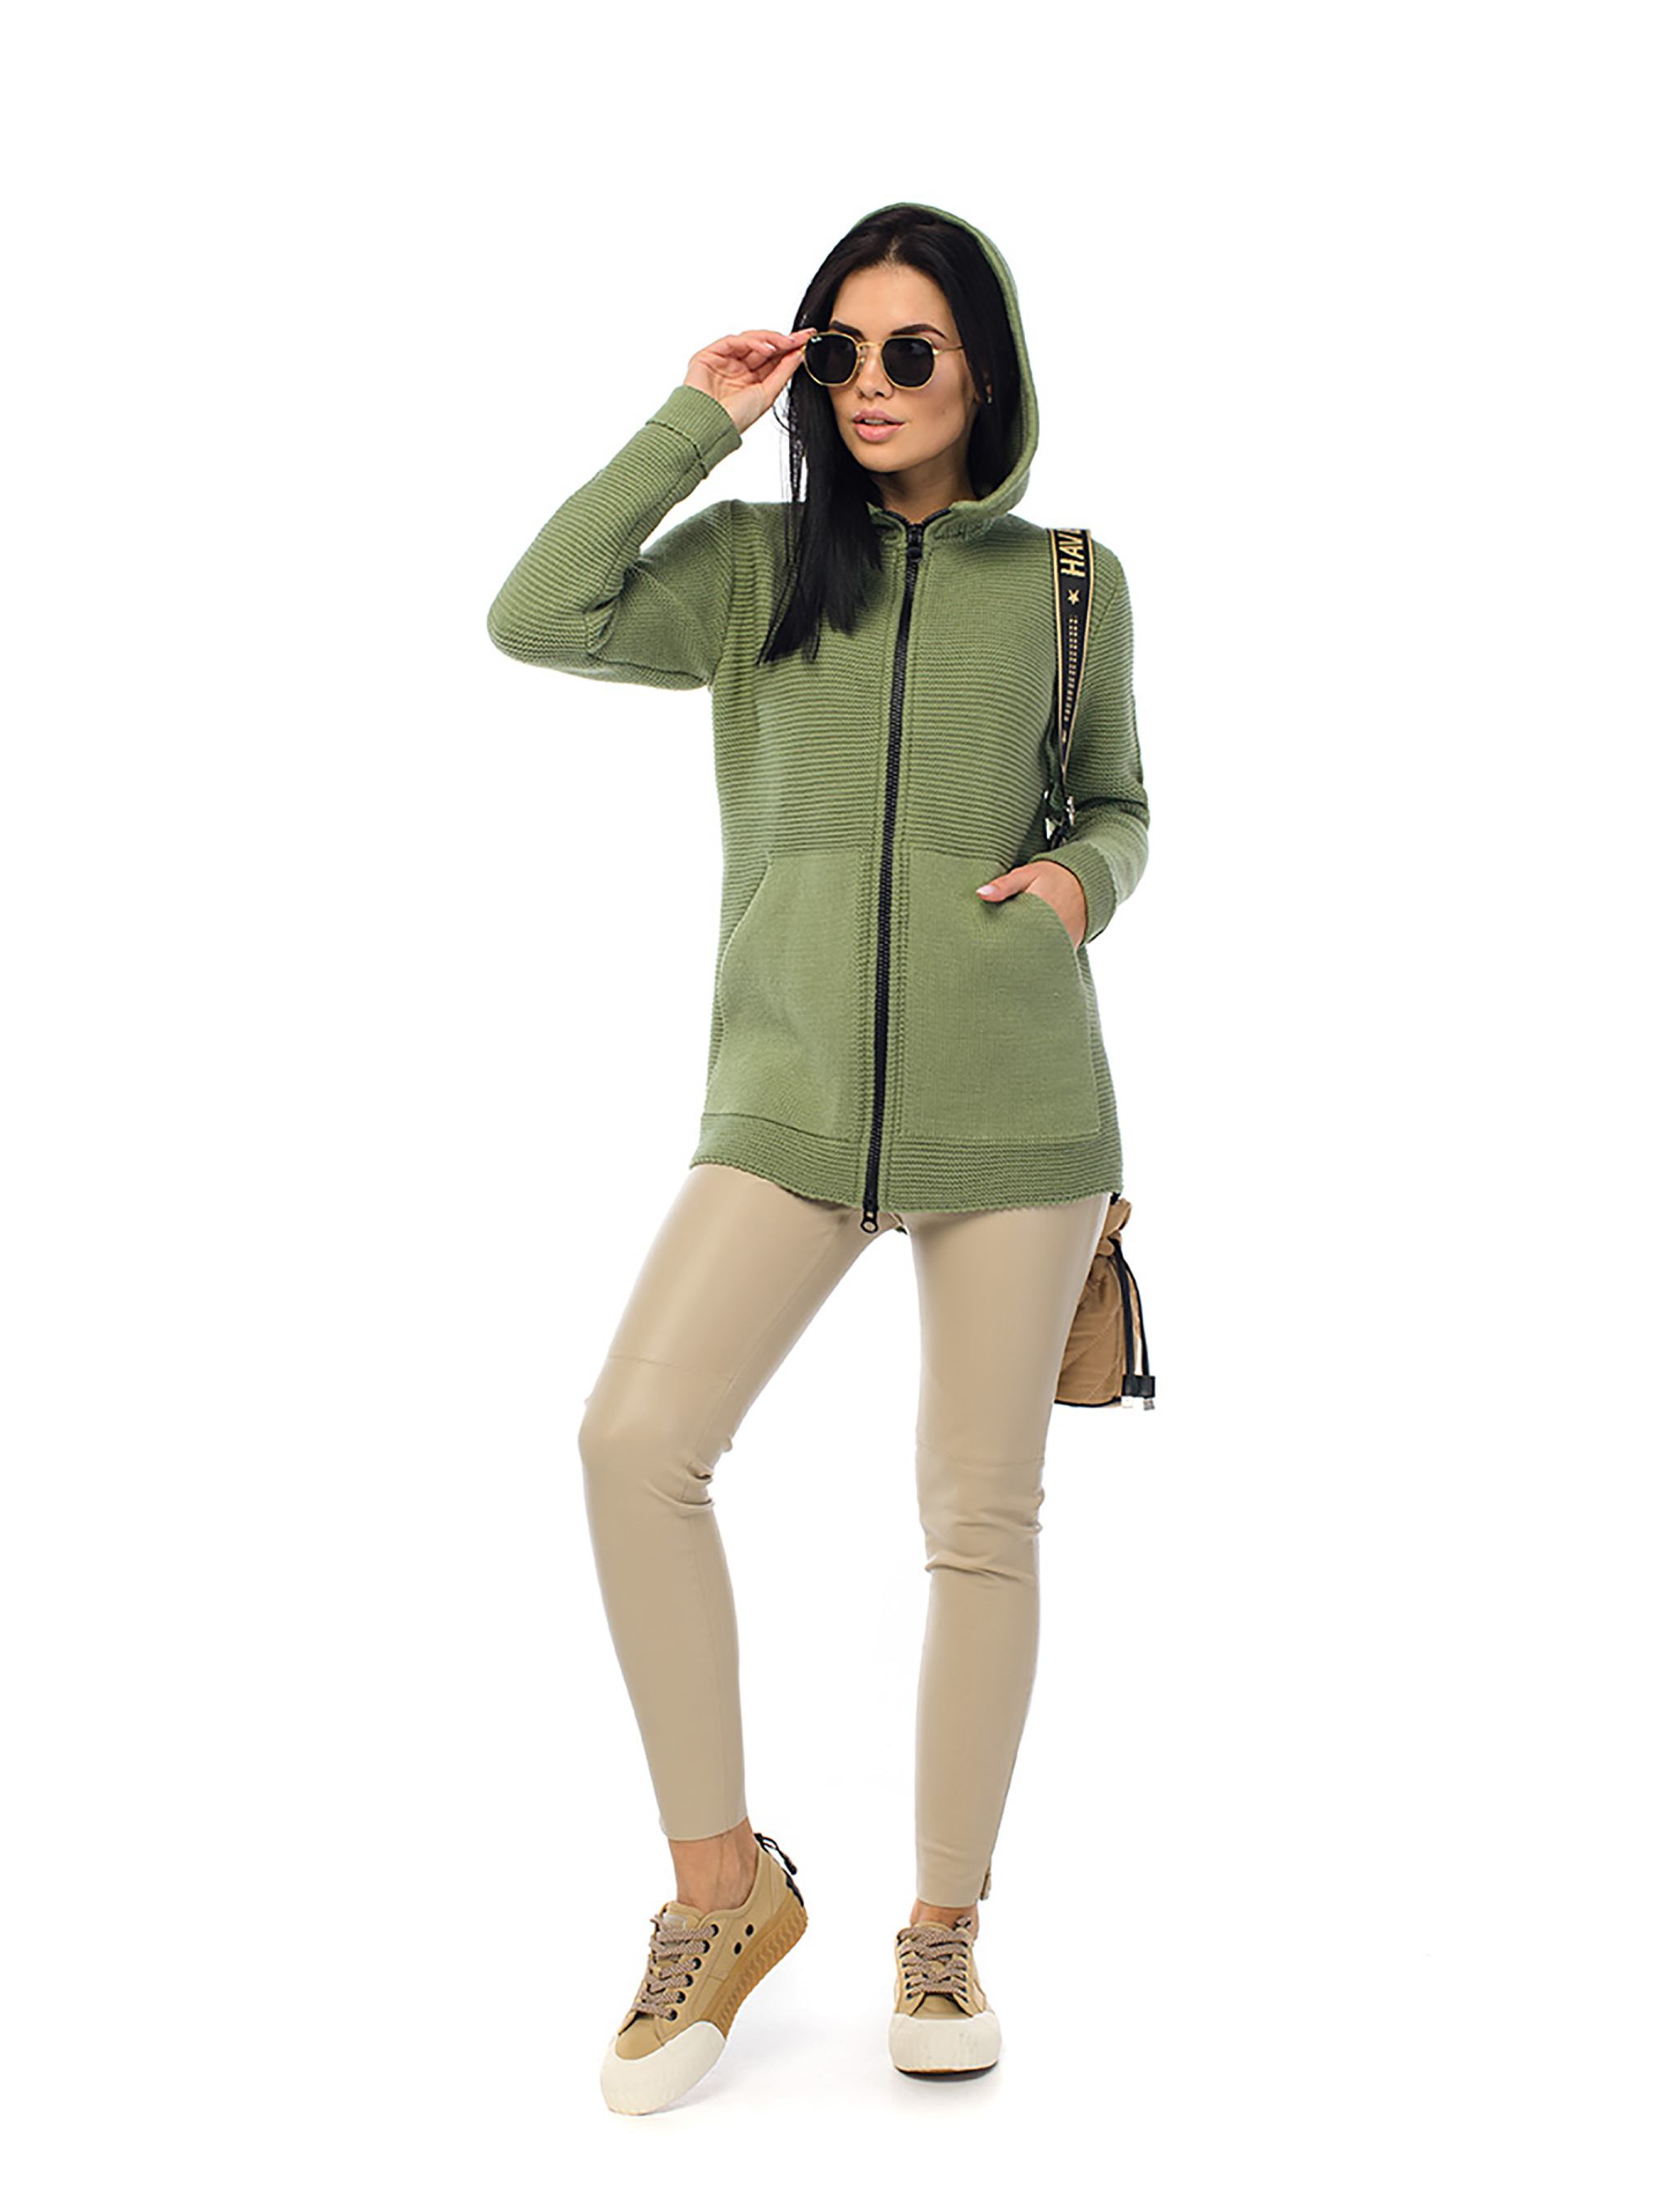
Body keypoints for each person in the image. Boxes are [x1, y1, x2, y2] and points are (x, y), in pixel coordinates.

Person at [486, 200, 1149, 2115]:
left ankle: (940, 1926)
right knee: (634, 1442)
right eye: (836, 350)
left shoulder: (1069, 580)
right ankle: (724, 1892)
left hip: (1014, 1104)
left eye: (907, 352)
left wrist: (1078, 888)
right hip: (781, 1099)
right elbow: (537, 614)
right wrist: (695, 420)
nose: (866, 384)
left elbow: (1117, 802)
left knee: (977, 1518)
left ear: (981, 374)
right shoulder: (752, 568)